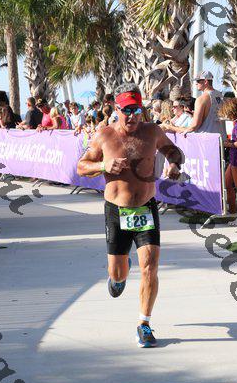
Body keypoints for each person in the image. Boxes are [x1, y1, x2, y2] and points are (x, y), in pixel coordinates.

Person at [77, 83, 184, 348]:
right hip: (117, 210)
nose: (132, 116)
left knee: (150, 266)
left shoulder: (152, 132)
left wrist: (174, 163)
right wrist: (104, 165)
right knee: (118, 272)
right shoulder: (104, 135)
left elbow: (173, 150)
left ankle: (144, 324)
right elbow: (81, 167)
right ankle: (117, 277)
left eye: (137, 110)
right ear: (116, 109)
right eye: (126, 110)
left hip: (146, 207)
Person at [175, 71, 226, 138]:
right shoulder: (220, 96)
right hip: (221, 138)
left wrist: (173, 128)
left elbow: (194, 126)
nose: (196, 83)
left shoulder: (201, 99)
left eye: (198, 81)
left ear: (205, 81)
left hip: (207, 139)